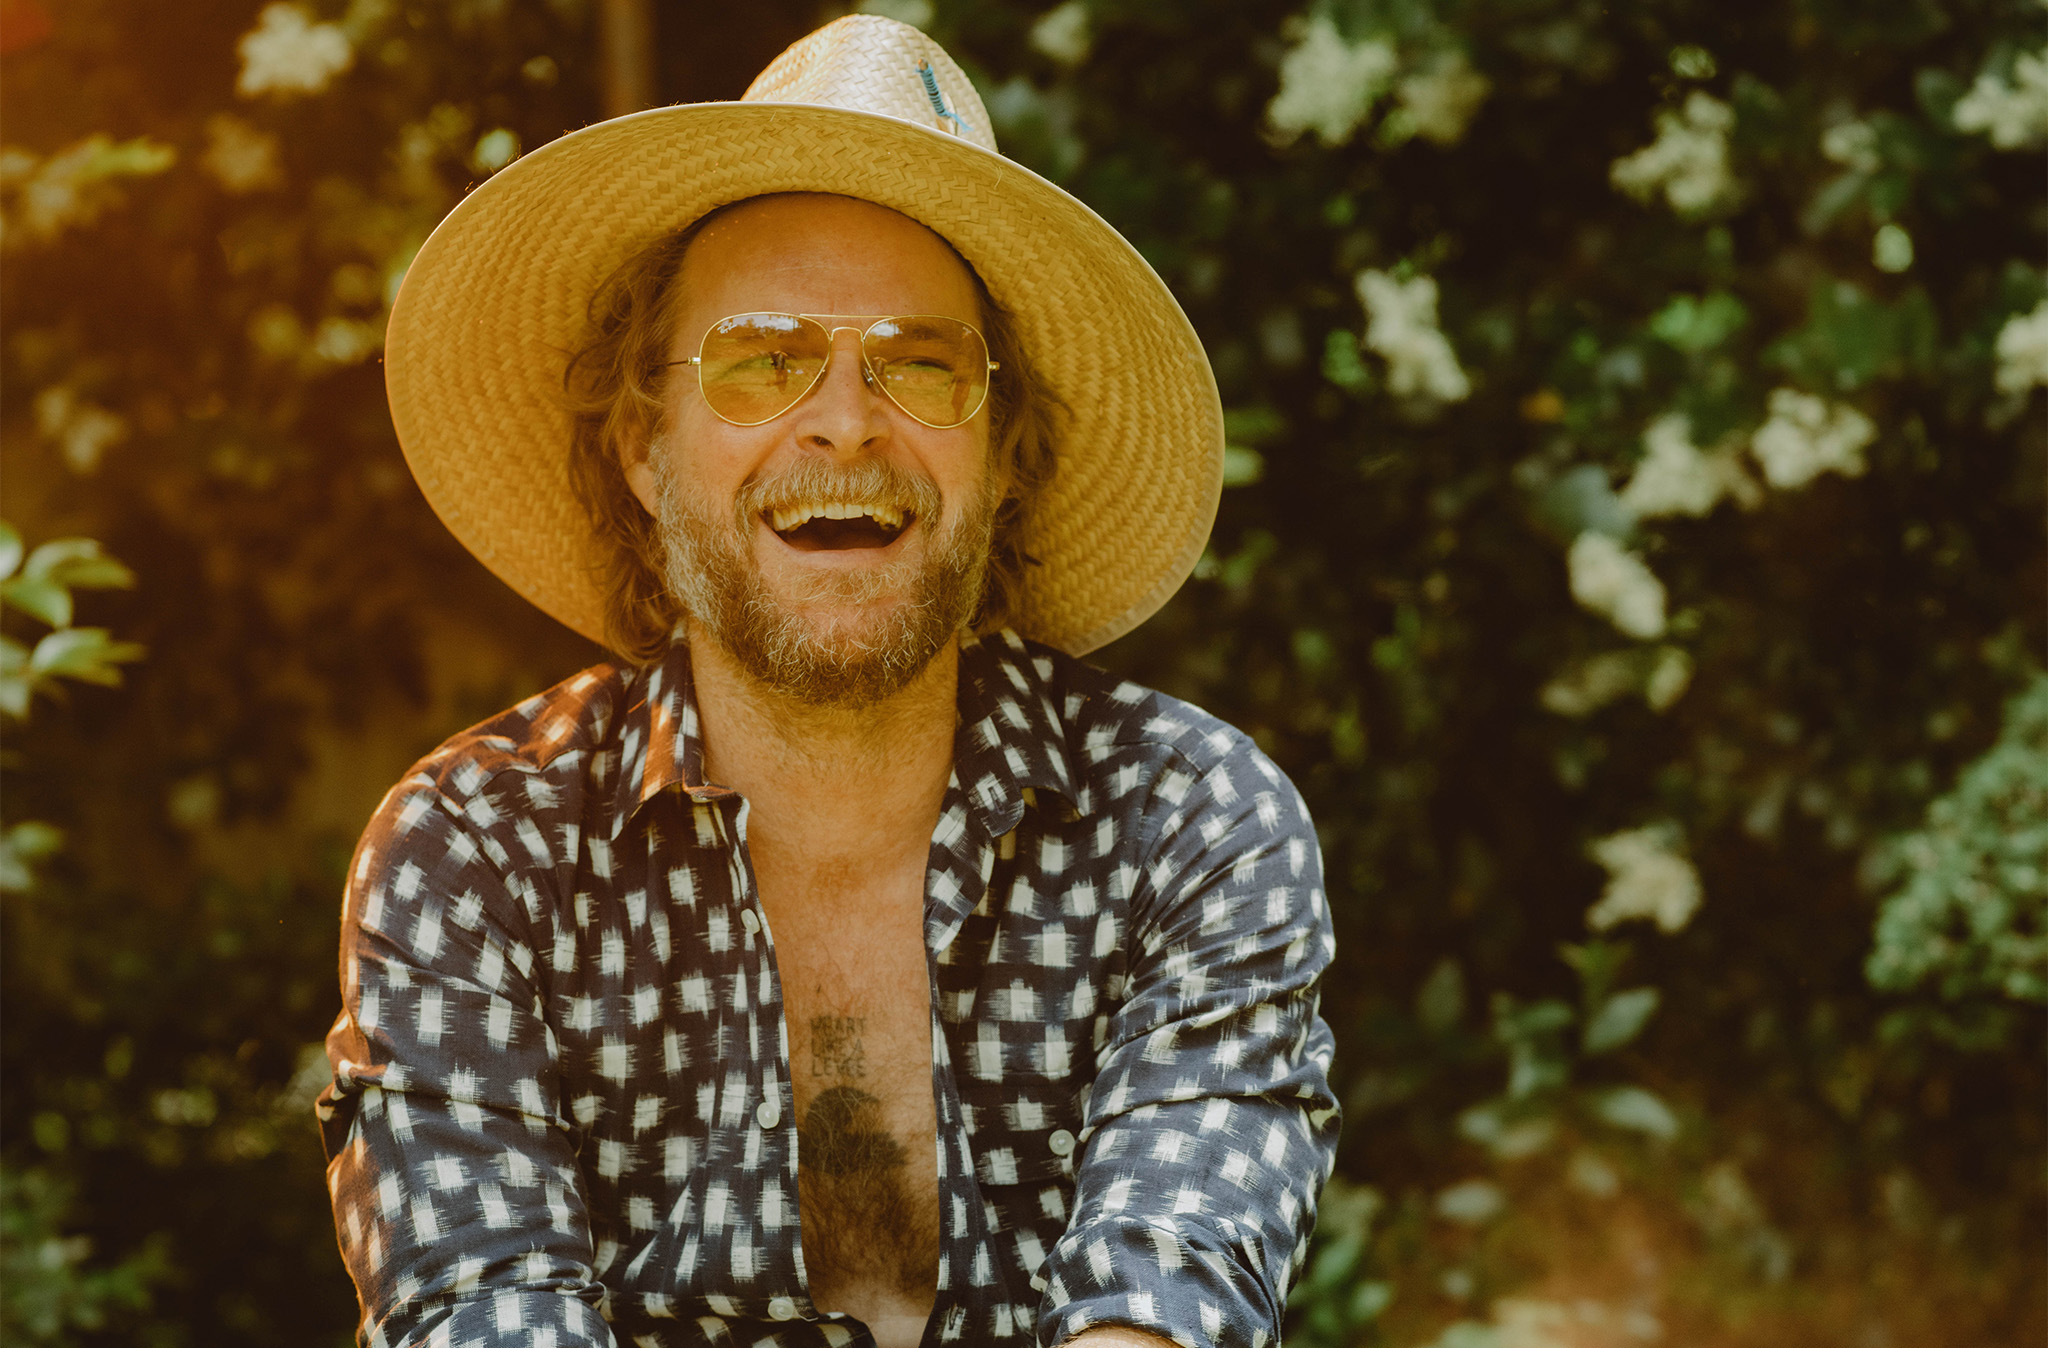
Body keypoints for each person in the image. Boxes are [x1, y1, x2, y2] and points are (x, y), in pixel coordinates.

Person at [318, 16, 1337, 1348]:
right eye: (760, 358)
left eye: (920, 364)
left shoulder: (1192, 823)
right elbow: (480, 1316)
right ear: (641, 446)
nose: (846, 420)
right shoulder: (476, 854)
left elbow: (1170, 1295)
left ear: (1006, 449)